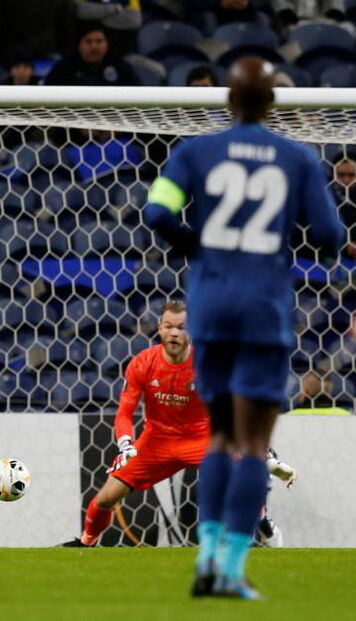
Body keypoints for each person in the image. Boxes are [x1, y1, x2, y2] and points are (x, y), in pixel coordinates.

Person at [144, 57, 343, 599]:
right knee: (254, 442)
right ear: (272, 103)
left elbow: (156, 212)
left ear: (228, 101)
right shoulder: (296, 158)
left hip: (210, 306)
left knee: (219, 438)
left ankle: (205, 558)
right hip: (262, 309)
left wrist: (198, 246)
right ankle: (230, 568)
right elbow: (328, 233)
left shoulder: (194, 152)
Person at [61, 301, 211, 548]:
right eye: (168, 326)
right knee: (105, 498)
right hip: (156, 442)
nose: (174, 333)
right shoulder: (143, 363)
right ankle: (86, 542)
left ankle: (261, 529)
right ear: (159, 328)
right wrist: (126, 444)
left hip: (199, 439)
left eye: (182, 327)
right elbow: (124, 413)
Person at [42, 23, 140, 86]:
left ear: (107, 44)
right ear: (80, 45)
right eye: (88, 41)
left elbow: (137, 94)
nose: (94, 46)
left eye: (99, 41)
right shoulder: (64, 67)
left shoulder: (120, 66)